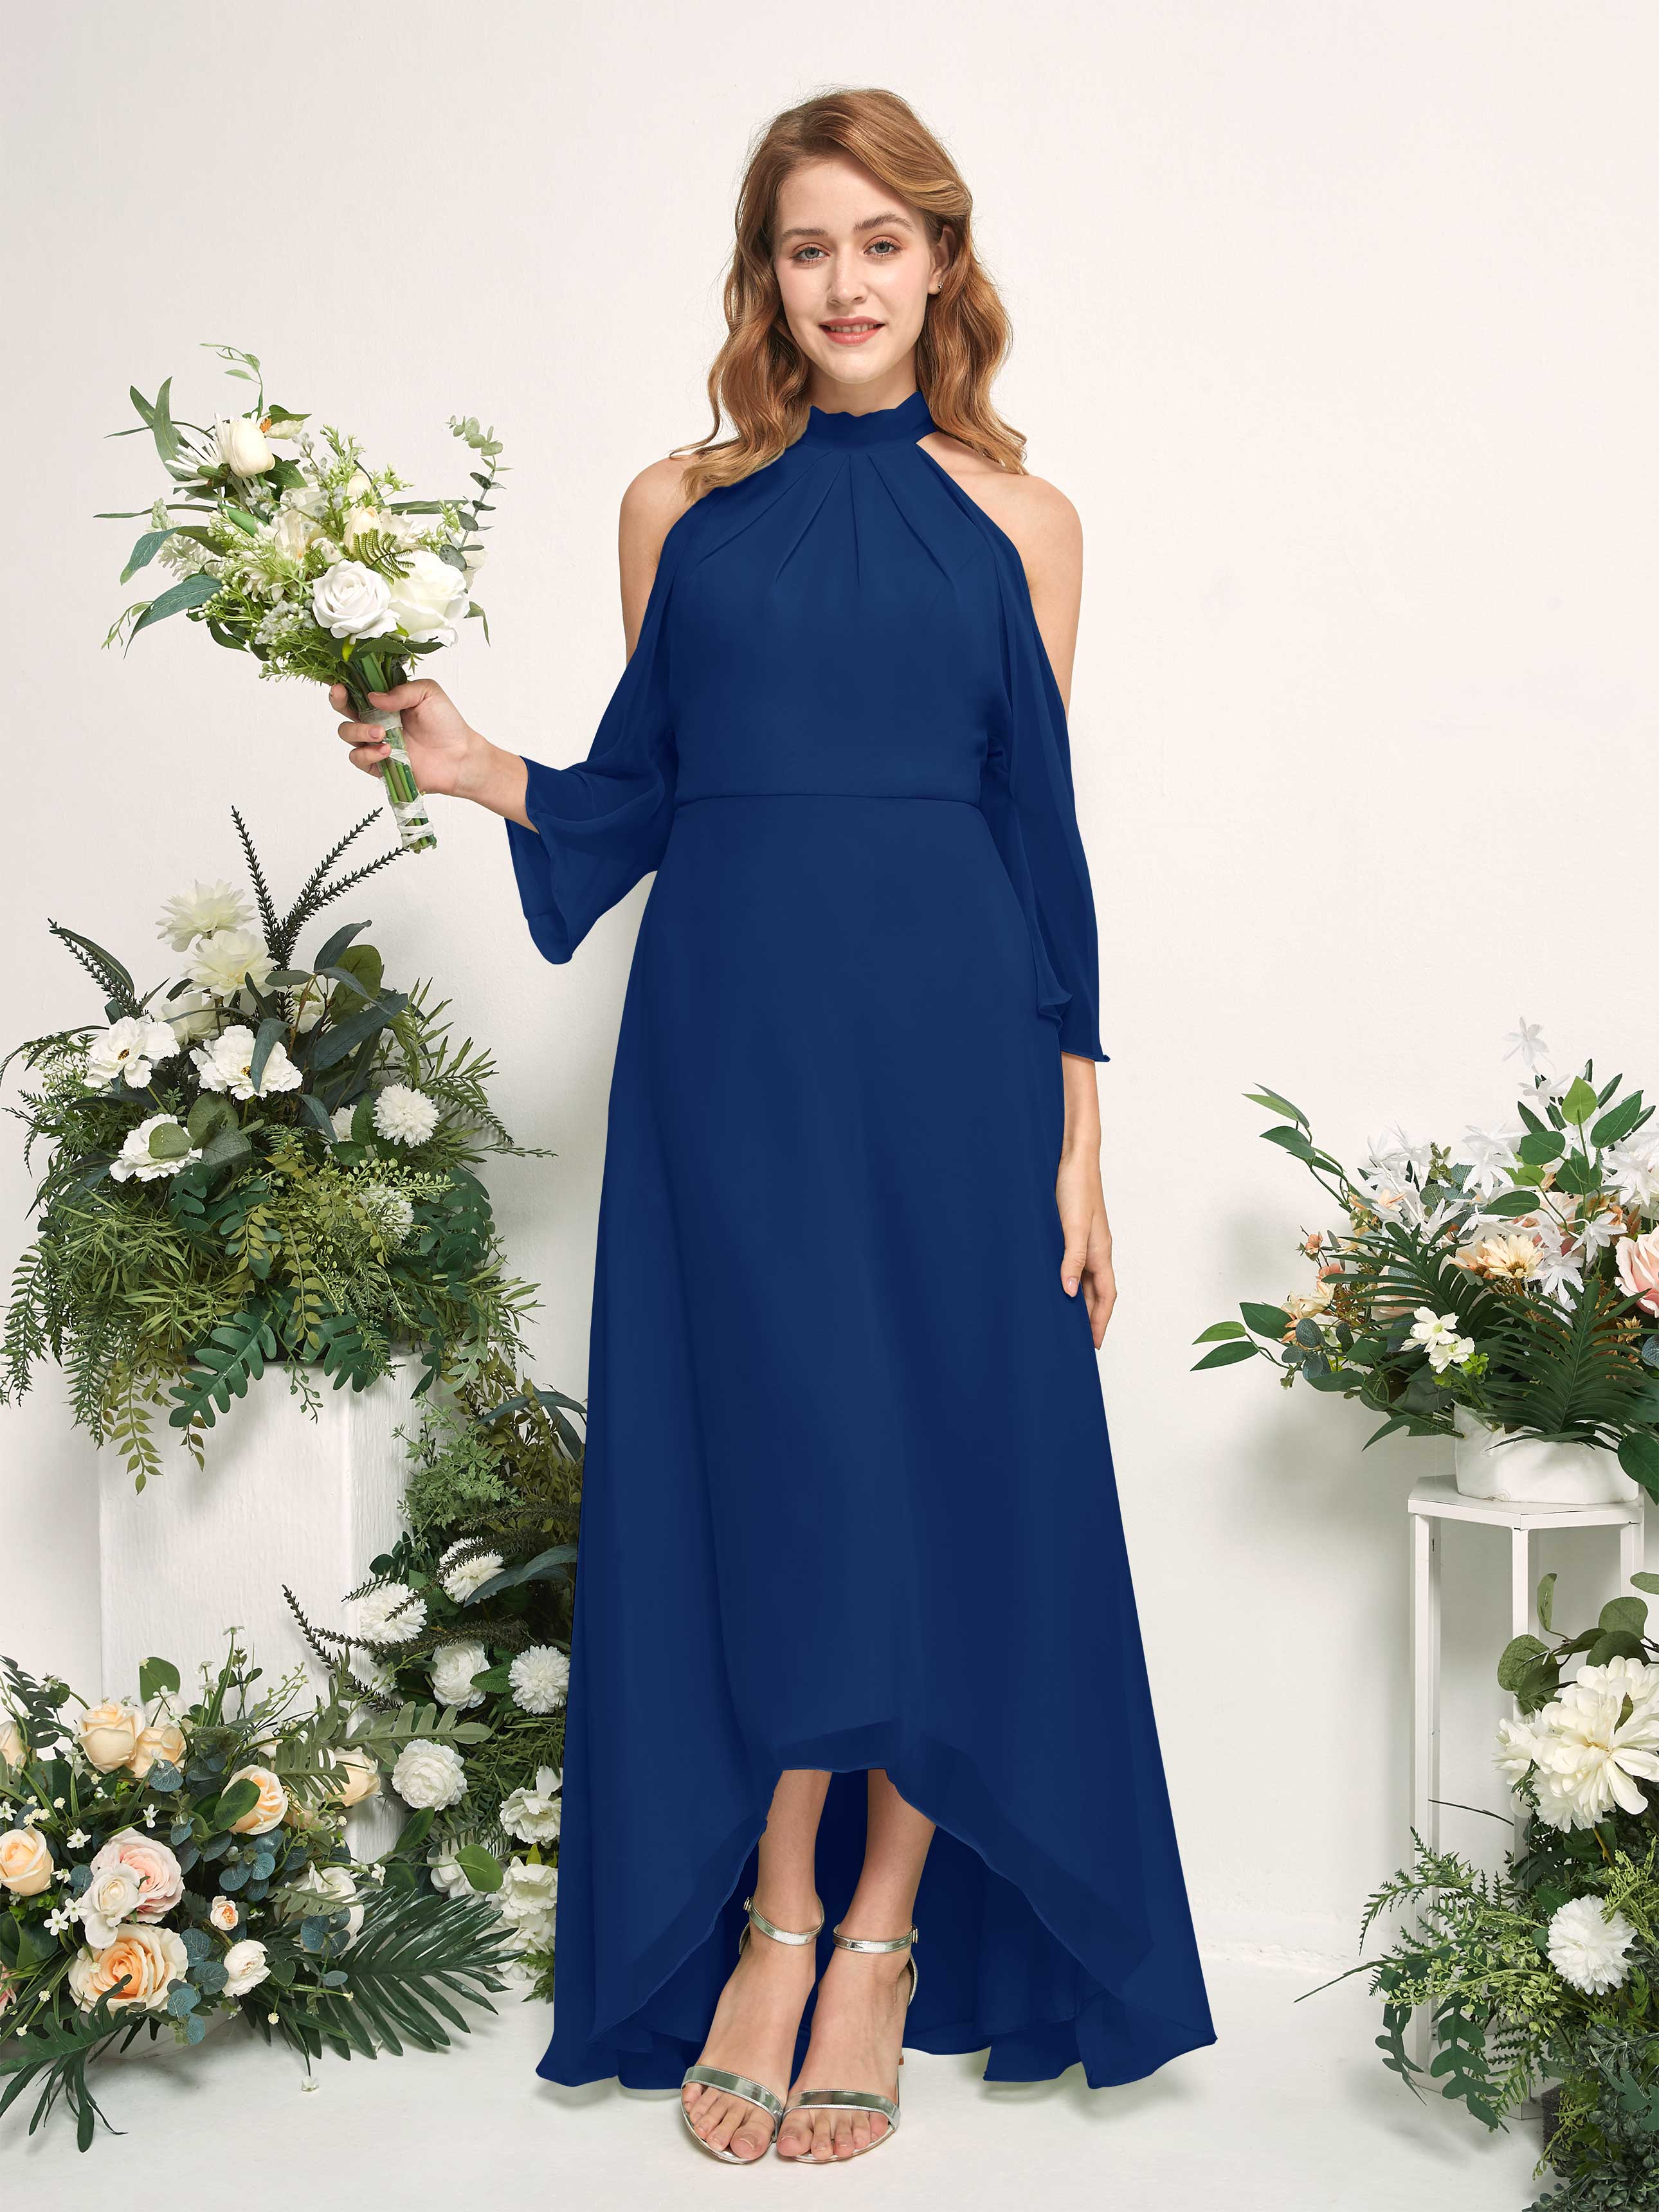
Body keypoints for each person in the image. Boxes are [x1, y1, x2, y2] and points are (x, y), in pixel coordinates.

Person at [331, 86, 1215, 2167]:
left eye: (880, 242)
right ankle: (774, 1916)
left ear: (941, 263)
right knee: (781, 1463)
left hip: (955, 1049)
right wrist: (475, 767)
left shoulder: (1025, 521)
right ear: (765, 275)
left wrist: (1079, 1142)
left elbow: (1040, 840)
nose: (845, 282)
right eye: (808, 246)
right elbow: (644, 789)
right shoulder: (677, 507)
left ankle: (880, 1941)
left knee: (942, 1468)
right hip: (731, 1048)